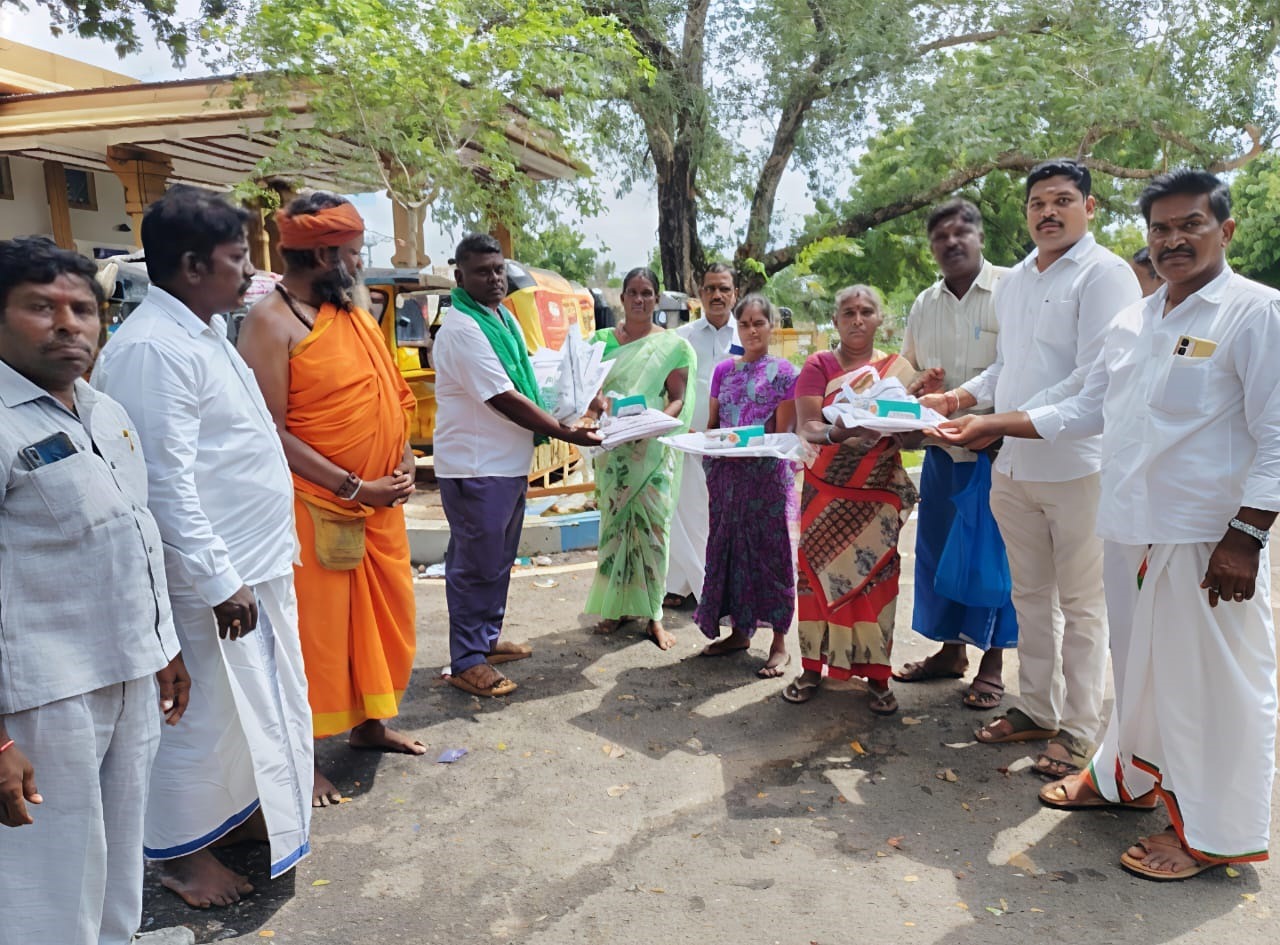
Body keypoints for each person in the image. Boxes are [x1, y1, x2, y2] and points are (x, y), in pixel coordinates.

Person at [937, 169, 1279, 881]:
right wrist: (993, 420)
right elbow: (1087, 402)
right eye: (1160, 228)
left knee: (1214, 684)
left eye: (1191, 224)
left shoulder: (1254, 313)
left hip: (1205, 538)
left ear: (1225, 229)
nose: (1174, 239)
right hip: (1130, 526)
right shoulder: (1140, 320)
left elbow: (1277, 434)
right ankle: (1128, 777)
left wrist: (1247, 535)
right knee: (1139, 670)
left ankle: (1213, 833)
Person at [93, 185, 313, 908]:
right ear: (191, 266)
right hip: (206, 579)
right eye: (237, 257)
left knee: (248, 712)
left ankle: (236, 817)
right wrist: (220, 580)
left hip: (250, 563)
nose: (251, 271)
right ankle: (183, 857)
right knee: (199, 719)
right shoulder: (153, 349)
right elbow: (162, 482)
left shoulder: (204, 331)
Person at [923, 159, 1142, 777]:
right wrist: (958, 399)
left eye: (1062, 200)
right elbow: (1008, 365)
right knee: (1029, 597)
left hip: (1077, 468)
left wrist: (999, 422)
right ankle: (1038, 710)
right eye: (1038, 203)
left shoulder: (1106, 276)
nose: (1048, 212)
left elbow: (1093, 386)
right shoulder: (1018, 279)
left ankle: (1079, 730)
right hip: (1014, 467)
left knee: (1083, 606)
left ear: (1089, 207)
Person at [0, 238, 189, 944]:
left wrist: (164, 648)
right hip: (41, 696)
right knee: (48, 886)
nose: (67, 325)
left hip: (129, 673)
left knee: (114, 865)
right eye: (40, 307)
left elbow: (133, 536)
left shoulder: (105, 412)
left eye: (82, 309)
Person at [237, 192, 424, 809]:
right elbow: (270, 430)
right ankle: (307, 758)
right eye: (353, 252)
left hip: (381, 507)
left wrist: (402, 456)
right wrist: (353, 486)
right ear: (322, 255)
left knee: (385, 623)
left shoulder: (355, 308)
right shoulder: (270, 322)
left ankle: (370, 724)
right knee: (317, 639)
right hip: (316, 508)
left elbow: (390, 391)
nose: (360, 261)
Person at [432, 234, 601, 697]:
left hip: (505, 464)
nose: (494, 279)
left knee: (497, 561)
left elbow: (528, 377)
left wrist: (582, 400)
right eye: (482, 271)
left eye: (499, 269)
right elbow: (504, 398)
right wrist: (566, 432)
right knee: (474, 565)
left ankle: (485, 641)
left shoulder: (501, 318)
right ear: (459, 276)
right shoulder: (462, 329)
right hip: (475, 467)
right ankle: (466, 660)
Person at [892, 199, 1018, 709]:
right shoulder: (926, 304)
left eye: (961, 232)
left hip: (998, 453)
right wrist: (908, 392)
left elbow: (1024, 367)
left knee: (992, 562)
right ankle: (951, 653)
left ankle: (993, 663)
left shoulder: (1011, 290)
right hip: (942, 455)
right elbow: (907, 367)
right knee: (941, 557)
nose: (951, 242)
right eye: (940, 236)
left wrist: (998, 427)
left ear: (980, 236)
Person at [782, 286, 919, 715]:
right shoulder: (818, 365)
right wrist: (841, 433)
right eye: (848, 312)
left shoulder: (899, 371)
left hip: (876, 497)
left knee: (876, 585)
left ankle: (877, 677)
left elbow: (913, 435)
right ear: (836, 320)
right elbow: (807, 427)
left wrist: (920, 409)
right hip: (825, 494)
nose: (857, 319)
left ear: (880, 319)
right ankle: (811, 668)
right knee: (816, 581)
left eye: (866, 311)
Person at [584, 267, 697, 649]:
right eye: (632, 292)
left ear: (657, 299)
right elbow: (590, 390)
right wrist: (603, 405)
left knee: (654, 533)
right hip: (615, 451)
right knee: (614, 531)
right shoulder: (601, 342)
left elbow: (677, 397)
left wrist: (656, 422)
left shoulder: (672, 346)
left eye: (647, 293)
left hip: (652, 450)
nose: (639, 299)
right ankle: (614, 609)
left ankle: (654, 616)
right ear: (622, 298)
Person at [695, 294, 798, 677]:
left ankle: (780, 644)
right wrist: (704, 444)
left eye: (759, 323)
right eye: (745, 324)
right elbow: (714, 425)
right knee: (729, 551)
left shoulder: (785, 373)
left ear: (772, 326)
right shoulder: (724, 371)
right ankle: (739, 633)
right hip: (727, 479)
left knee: (772, 557)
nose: (752, 330)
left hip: (766, 480)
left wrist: (750, 447)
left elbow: (783, 433)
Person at [664, 263, 741, 608]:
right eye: (710, 288)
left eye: (724, 288)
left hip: (734, 443)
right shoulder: (683, 337)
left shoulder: (746, 335)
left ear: (735, 294)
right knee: (689, 511)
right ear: (700, 294)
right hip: (690, 438)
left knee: (725, 515)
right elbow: (671, 387)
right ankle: (682, 585)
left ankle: (723, 586)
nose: (717, 295)